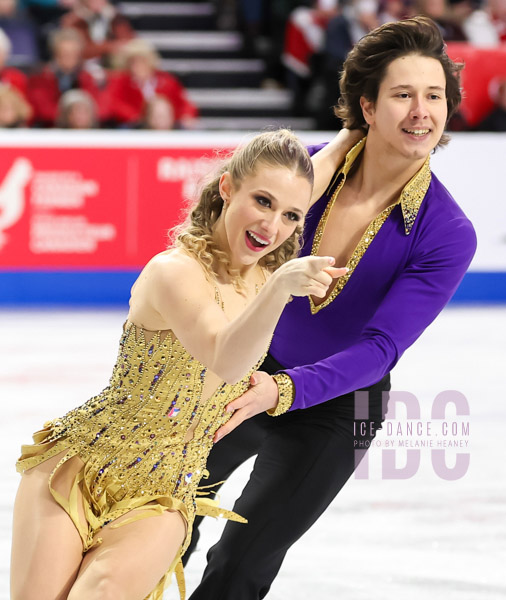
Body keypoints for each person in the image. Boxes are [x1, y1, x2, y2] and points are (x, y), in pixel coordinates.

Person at [185, 16, 477, 599]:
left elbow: (381, 349)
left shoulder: (447, 232)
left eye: (434, 96)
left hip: (345, 405)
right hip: (244, 366)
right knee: (164, 511)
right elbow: (213, 237)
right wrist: (334, 151)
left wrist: (282, 391)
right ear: (367, 107)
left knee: (242, 559)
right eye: (402, 95)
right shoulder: (303, 176)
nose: (421, 111)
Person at [10, 128, 355, 600]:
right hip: (80, 466)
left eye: (291, 215)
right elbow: (225, 357)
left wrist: (354, 128)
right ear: (228, 187)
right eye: (262, 202)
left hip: (165, 493)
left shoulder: (266, 275)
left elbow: (307, 178)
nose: (272, 226)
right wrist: (279, 289)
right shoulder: (174, 272)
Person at [107, 38, 198, 129]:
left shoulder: (167, 81)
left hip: (167, 126)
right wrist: (137, 117)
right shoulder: (122, 82)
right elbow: (114, 104)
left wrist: (187, 115)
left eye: (141, 61)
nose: (137, 66)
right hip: (135, 127)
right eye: (133, 62)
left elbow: (185, 103)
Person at [27, 27, 108, 127]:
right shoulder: (41, 78)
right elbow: (42, 109)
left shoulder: (87, 78)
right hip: (50, 129)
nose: (69, 58)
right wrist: (70, 117)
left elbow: (97, 108)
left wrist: (80, 117)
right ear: (55, 54)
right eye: (64, 54)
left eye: (73, 54)